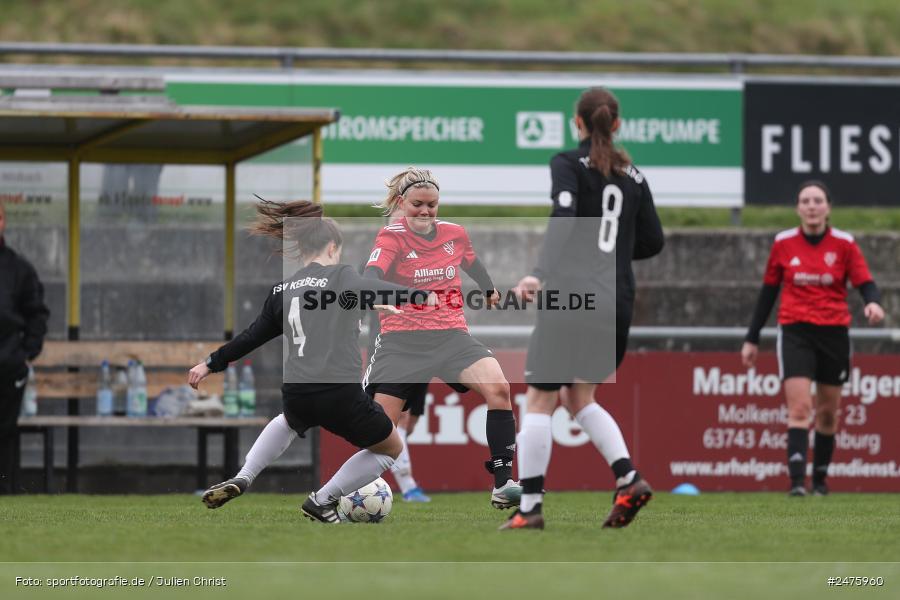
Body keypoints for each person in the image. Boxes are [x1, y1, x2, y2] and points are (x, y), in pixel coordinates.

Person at [189, 200, 434, 522]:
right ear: (332, 246)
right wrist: (415, 295)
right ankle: (323, 499)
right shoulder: (341, 275)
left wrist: (210, 363)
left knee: (288, 421)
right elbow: (366, 286)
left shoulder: (282, 289)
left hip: (297, 392)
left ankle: (245, 476)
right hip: (339, 393)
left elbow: (252, 336)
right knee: (390, 448)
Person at [501, 87, 664, 530]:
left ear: (577, 123)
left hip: (571, 294)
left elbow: (565, 216)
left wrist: (539, 272)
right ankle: (628, 477)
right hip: (616, 299)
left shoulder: (568, 164)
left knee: (538, 398)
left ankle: (530, 508)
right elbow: (653, 240)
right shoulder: (634, 175)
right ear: (616, 125)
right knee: (580, 396)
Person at [362, 167, 522, 509]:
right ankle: (337, 494)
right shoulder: (391, 237)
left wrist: (489, 289)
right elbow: (370, 279)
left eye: (432, 205)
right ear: (402, 203)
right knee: (380, 433)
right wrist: (413, 295)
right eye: (418, 204)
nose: (425, 211)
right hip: (403, 343)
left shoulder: (454, 233)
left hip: (451, 337)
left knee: (499, 388)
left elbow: (472, 262)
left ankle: (503, 483)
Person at [741, 180, 884, 497]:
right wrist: (752, 338)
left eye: (818, 200)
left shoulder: (844, 244)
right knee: (799, 407)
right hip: (795, 331)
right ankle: (796, 484)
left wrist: (872, 303)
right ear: (797, 208)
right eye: (805, 200)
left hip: (834, 332)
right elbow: (768, 293)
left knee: (828, 413)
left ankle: (819, 481)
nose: (811, 206)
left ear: (828, 207)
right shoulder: (783, 243)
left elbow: (865, 283)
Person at [0, 200, 50, 494]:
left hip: (7, 366)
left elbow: (37, 313)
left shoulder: (19, 269)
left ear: (4, 221)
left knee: (4, 433)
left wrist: (25, 353)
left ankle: (4, 494)